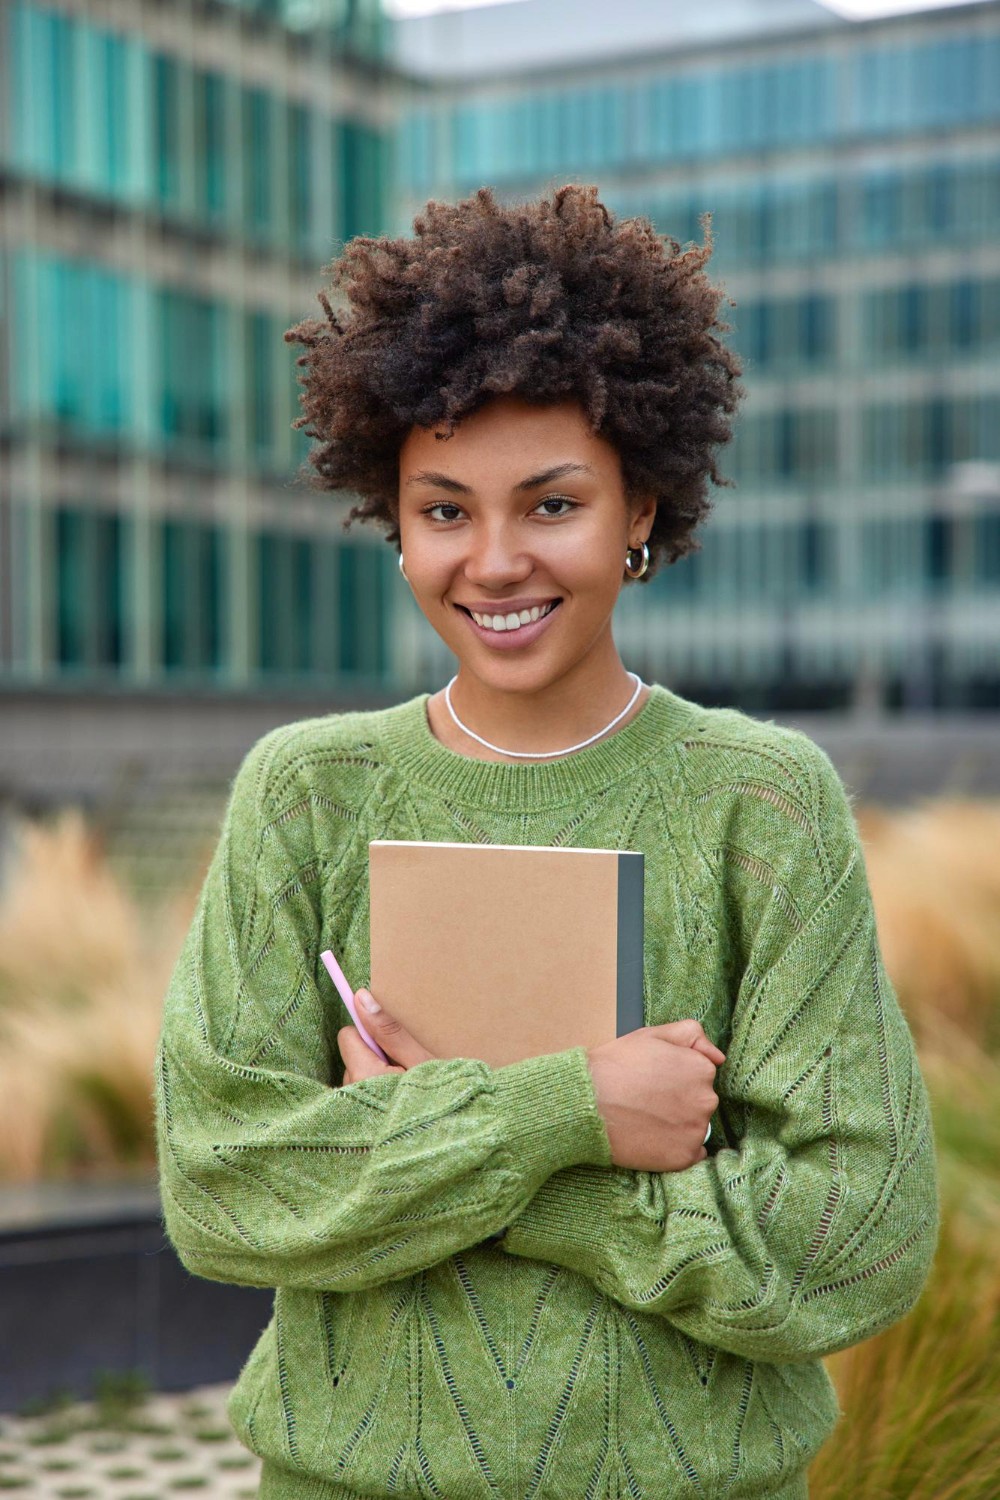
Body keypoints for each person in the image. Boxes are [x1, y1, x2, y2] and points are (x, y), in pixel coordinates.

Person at [155, 184, 939, 1500]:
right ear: (391, 523)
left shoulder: (763, 801)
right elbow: (223, 1186)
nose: (496, 561)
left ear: (641, 507)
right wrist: (576, 1111)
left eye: (553, 504)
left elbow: (857, 1238)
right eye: (445, 510)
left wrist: (444, 1148)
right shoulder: (307, 793)